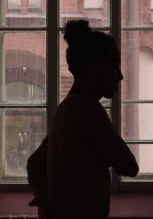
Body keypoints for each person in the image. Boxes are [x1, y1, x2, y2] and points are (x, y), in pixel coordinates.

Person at [27, 20, 139, 219]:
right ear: (94, 66)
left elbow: (34, 163)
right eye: (114, 65)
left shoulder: (66, 108)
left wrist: (46, 202)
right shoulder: (88, 110)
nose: (120, 76)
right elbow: (129, 166)